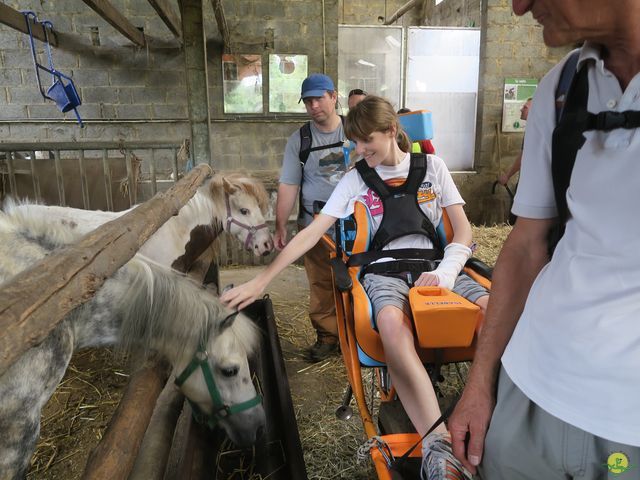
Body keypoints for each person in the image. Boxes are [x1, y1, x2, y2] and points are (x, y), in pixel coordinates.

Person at [223, 95, 489, 479]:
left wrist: (448, 272)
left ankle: (488, 413)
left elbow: (462, 229)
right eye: (356, 142)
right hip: (384, 273)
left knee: (494, 314)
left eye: (368, 142)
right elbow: (312, 232)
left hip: (438, 268)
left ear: (391, 131)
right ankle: (438, 443)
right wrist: (263, 279)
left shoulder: (433, 167)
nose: (360, 151)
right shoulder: (355, 179)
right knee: (392, 325)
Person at [449, 1, 640, 479]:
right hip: (528, 388)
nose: (518, 7)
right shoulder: (563, 88)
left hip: (626, 424)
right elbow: (526, 244)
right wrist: (480, 383)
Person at [274, 73, 347, 362]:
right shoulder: (300, 139)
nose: (314, 105)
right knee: (320, 282)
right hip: (316, 223)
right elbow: (289, 184)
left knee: (358, 278)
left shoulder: (355, 131)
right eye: (308, 100)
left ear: (334, 96)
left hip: (356, 223)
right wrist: (282, 224)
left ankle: (359, 333)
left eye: (319, 98)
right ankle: (329, 337)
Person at [497, 98, 531, 186]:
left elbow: (524, 156)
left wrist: (507, 176)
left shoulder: (534, 132)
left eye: (525, 107)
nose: (521, 109)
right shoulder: (532, 128)